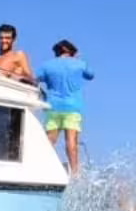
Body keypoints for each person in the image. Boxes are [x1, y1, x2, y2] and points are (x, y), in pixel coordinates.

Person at [37, 39, 94, 174]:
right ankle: (75, 173)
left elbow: (35, 79)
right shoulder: (79, 64)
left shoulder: (47, 65)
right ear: (71, 52)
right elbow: (91, 75)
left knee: (49, 141)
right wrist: (77, 60)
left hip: (53, 107)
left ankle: (41, 169)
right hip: (72, 108)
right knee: (71, 142)